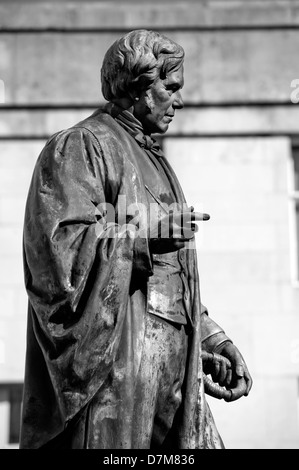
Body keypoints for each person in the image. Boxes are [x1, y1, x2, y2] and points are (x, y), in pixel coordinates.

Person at [20, 29, 252, 449]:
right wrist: (143, 237)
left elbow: (168, 280)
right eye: (171, 87)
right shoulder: (82, 146)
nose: (179, 101)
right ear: (138, 85)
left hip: (171, 374)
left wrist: (211, 337)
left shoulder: (156, 160)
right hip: (116, 373)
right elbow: (57, 254)